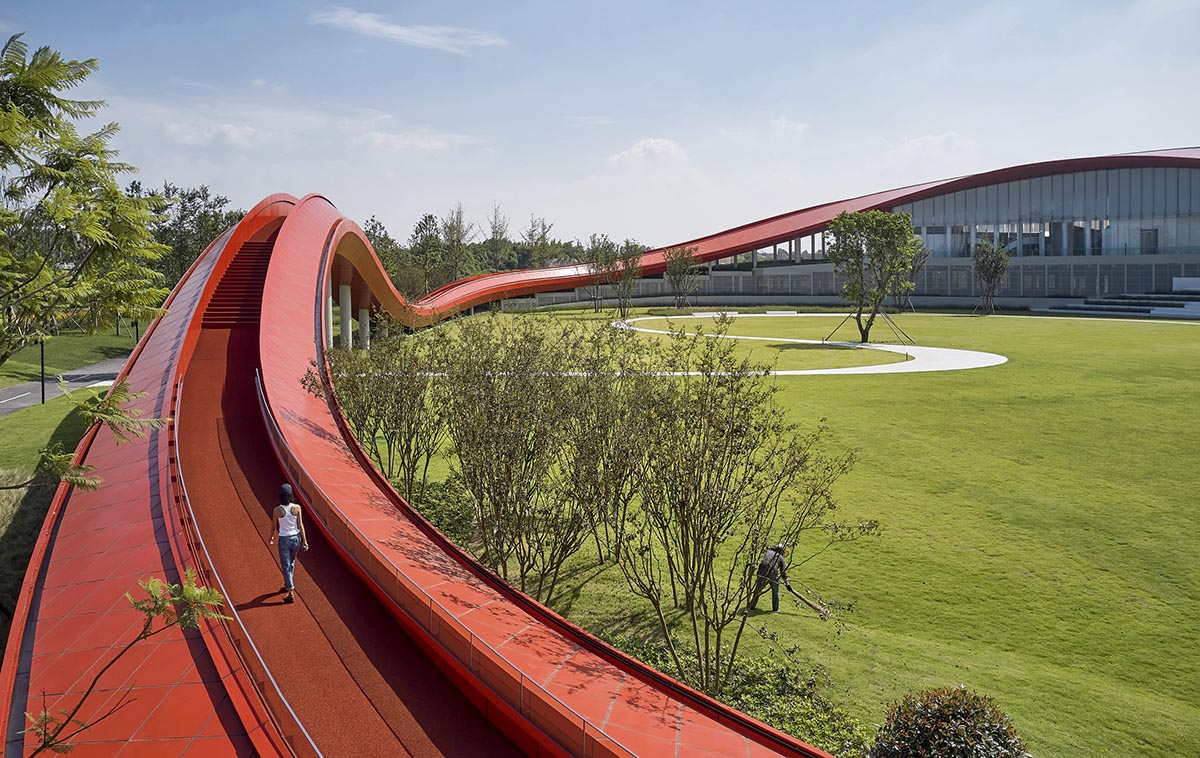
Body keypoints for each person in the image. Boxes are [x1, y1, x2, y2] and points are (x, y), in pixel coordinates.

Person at [268, 483, 308, 604]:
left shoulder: (277, 510)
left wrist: (271, 538)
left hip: (284, 539)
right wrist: (305, 541)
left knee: (285, 566)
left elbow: (274, 525)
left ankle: (290, 592)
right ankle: (287, 583)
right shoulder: (297, 508)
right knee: (291, 562)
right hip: (296, 538)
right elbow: (300, 525)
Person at [749, 543, 791, 612]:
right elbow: (783, 572)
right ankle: (775, 609)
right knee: (775, 591)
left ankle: (752, 605)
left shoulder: (768, 552)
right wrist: (787, 584)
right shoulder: (781, 558)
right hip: (772, 572)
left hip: (761, 569)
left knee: (758, 589)